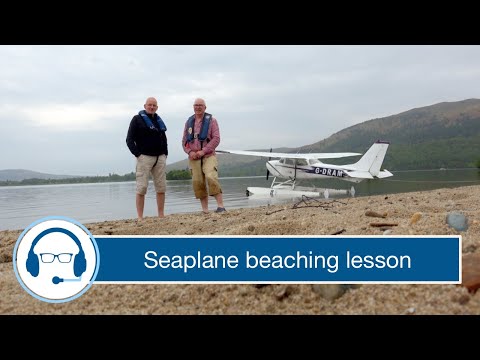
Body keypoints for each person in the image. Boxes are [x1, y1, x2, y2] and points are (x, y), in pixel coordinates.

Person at [126, 97, 168, 220]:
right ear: (145, 106)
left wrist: (165, 153)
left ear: (157, 107)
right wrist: (137, 154)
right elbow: (129, 139)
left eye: (154, 105)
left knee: (161, 187)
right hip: (144, 157)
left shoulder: (158, 120)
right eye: (149, 105)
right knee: (142, 187)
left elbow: (164, 138)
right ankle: (140, 217)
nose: (152, 107)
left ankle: (161, 215)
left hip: (160, 157)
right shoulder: (136, 119)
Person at [182, 98, 225, 214]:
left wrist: (203, 151)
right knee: (198, 181)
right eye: (196, 105)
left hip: (208, 155)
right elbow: (184, 141)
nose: (198, 107)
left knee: (211, 176)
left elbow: (216, 139)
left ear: (205, 107)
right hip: (193, 157)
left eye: (200, 105)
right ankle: (205, 210)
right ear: (193, 107)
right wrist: (190, 152)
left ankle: (220, 206)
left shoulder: (212, 121)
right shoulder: (188, 122)